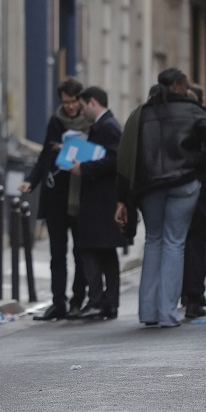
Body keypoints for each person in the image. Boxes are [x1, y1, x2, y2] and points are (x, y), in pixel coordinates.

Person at [116, 68, 206, 327]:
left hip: (149, 185)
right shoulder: (193, 110)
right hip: (184, 182)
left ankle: (148, 312)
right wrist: (197, 165)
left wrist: (123, 196)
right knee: (175, 242)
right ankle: (167, 313)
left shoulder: (142, 112)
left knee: (153, 242)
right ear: (182, 86)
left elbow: (127, 154)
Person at [19, 78, 91, 321]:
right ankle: (57, 301)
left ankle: (77, 301)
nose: (69, 107)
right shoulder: (56, 121)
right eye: (65, 102)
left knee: (81, 252)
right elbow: (44, 157)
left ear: (80, 100)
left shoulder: (91, 121)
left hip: (81, 194)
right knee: (56, 252)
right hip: (57, 195)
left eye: (73, 102)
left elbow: (100, 154)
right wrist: (32, 180)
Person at [70, 87, 123, 320]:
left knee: (89, 249)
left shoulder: (108, 126)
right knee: (105, 252)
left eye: (83, 107)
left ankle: (98, 301)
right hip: (100, 198)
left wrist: (84, 167)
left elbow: (114, 159)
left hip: (101, 199)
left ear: (92, 102)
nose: (82, 112)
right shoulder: (105, 125)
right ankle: (107, 303)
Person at [180, 85, 206, 318]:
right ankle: (193, 295)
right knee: (196, 242)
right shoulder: (203, 120)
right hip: (199, 186)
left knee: (174, 243)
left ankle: (182, 294)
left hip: (174, 184)